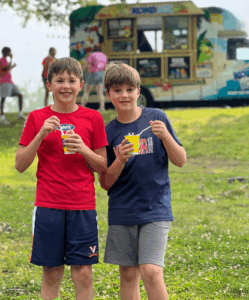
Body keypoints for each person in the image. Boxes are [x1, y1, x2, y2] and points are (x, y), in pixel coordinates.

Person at [15, 57, 108, 300]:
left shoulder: (93, 118)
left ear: (81, 84)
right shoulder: (37, 118)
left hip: (83, 206)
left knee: (83, 272)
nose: (65, 86)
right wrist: (41, 135)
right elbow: (20, 165)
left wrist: (84, 149)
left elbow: (103, 166)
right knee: (52, 272)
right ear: (49, 85)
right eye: (59, 81)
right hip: (48, 205)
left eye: (71, 81)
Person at [99, 63, 186, 300]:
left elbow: (180, 160)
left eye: (129, 89)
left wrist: (165, 135)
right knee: (128, 274)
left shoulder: (156, 117)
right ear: (108, 94)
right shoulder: (107, 132)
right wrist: (119, 160)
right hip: (122, 210)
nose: (124, 95)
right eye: (117, 90)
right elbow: (105, 182)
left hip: (155, 209)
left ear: (139, 91)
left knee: (151, 270)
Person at [0, 47, 25, 125]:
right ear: (6, 52)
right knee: (3, 98)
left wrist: (12, 66)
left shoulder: (5, 60)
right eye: (9, 52)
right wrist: (11, 60)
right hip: (4, 82)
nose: (10, 53)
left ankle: (20, 114)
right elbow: (5, 68)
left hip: (10, 82)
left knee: (20, 95)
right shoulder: (2, 60)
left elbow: (7, 69)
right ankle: (2, 118)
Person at [81, 44, 108, 111]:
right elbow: (105, 67)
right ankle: (102, 108)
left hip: (93, 73)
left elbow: (87, 65)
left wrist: (82, 70)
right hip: (101, 74)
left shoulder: (92, 55)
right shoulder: (104, 56)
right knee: (100, 93)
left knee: (86, 91)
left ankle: (81, 108)